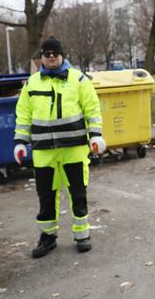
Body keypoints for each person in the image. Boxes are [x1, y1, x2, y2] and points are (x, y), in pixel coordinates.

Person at [13, 36, 105, 258]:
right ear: (42, 58)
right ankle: (47, 237)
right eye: (47, 54)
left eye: (55, 53)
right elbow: (23, 115)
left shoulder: (79, 80)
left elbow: (92, 109)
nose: (51, 57)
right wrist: (20, 142)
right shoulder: (32, 83)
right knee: (46, 196)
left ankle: (82, 234)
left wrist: (96, 136)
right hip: (44, 151)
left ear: (62, 55)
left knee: (77, 192)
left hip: (73, 148)